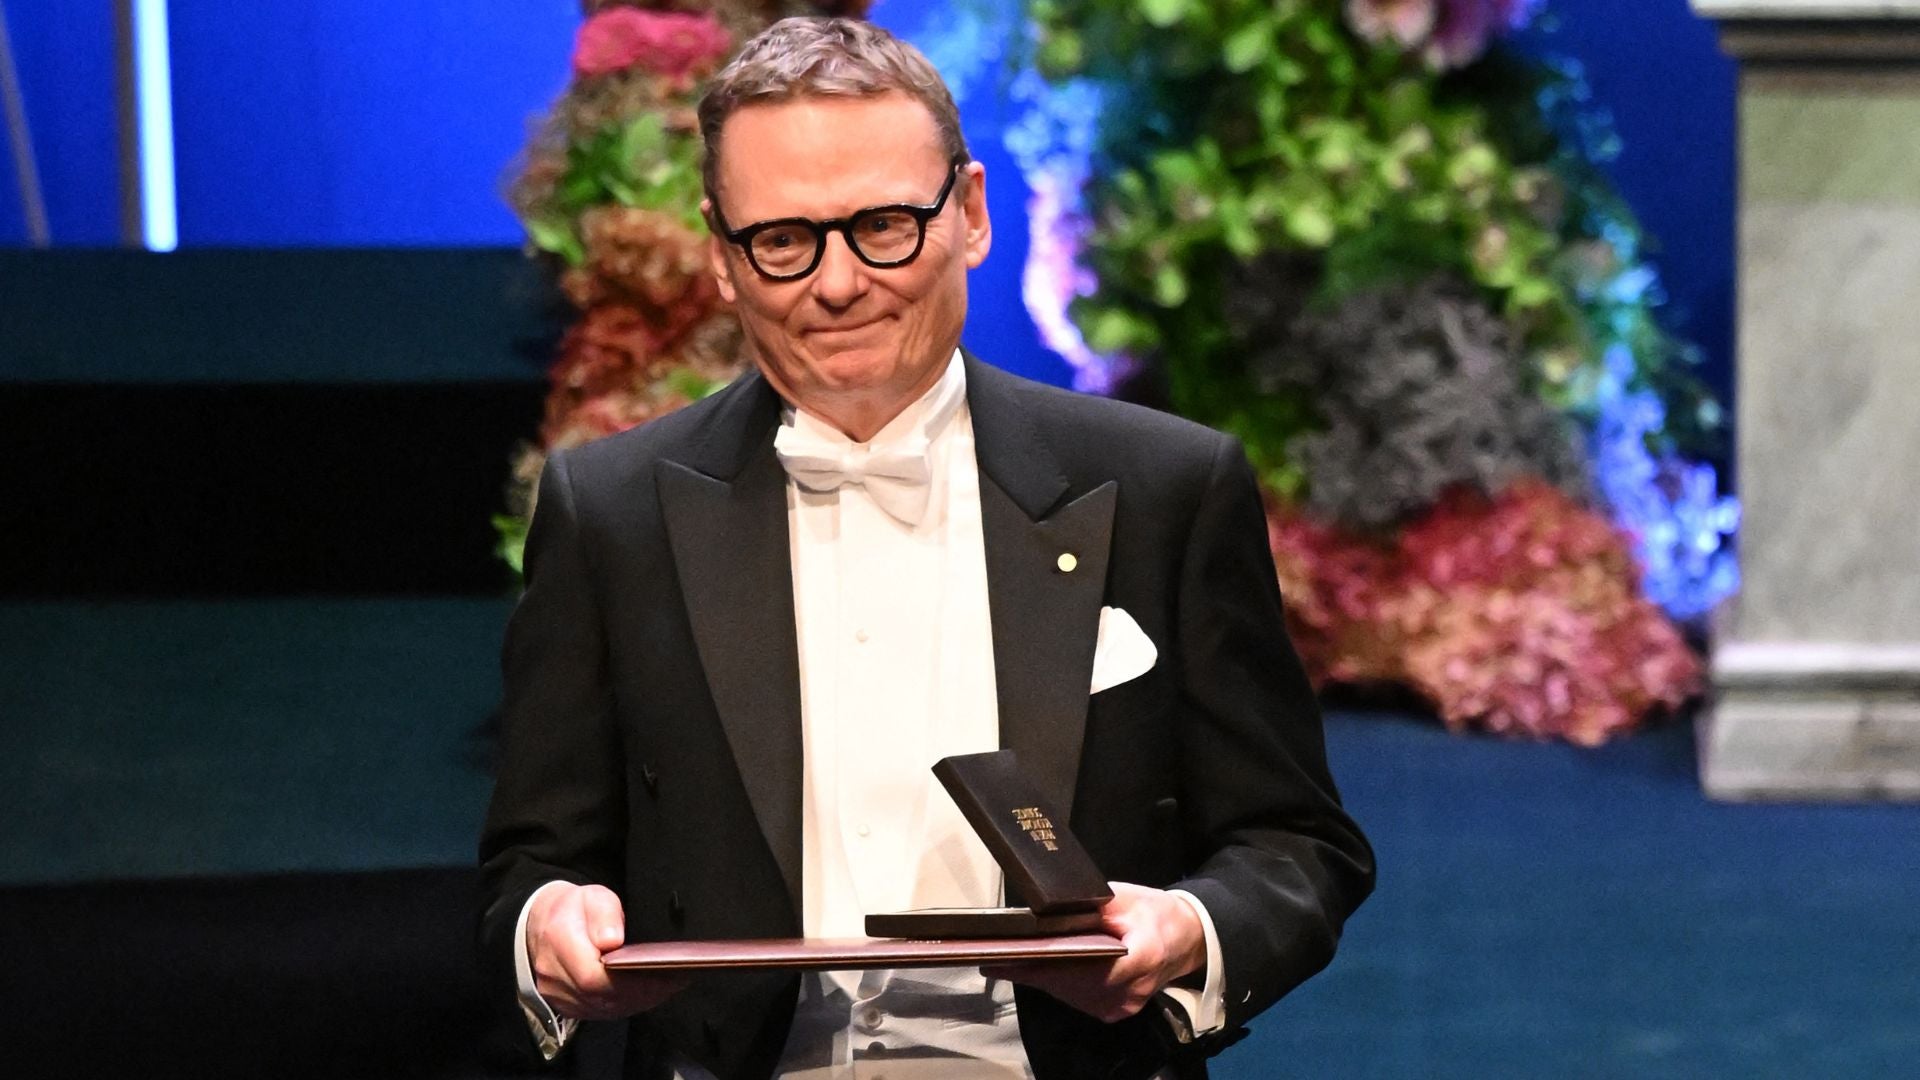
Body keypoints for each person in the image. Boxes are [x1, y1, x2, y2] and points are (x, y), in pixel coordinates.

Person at [478, 16, 1373, 1080]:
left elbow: (1297, 847)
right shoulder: (609, 511)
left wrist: (1191, 930)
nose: (840, 282)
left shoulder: (1166, 488)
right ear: (723, 258)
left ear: (973, 214)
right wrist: (550, 927)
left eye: (885, 226)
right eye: (783, 240)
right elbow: (530, 864)